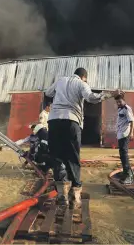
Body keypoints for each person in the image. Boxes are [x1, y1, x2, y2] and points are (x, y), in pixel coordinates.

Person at [45, 67, 119, 208]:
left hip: (54, 121)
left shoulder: (60, 80)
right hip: (72, 121)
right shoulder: (81, 84)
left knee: (57, 156)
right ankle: (75, 195)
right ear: (84, 77)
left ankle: (62, 194)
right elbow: (91, 97)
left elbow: (48, 92)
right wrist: (110, 94)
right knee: (73, 157)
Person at [115, 94, 134, 185]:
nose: (118, 103)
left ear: (124, 100)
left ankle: (128, 176)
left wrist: (131, 133)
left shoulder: (127, 109)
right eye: (117, 102)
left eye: (120, 101)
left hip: (125, 134)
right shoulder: (120, 109)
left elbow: (132, 121)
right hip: (120, 134)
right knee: (122, 155)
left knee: (124, 154)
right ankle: (126, 172)